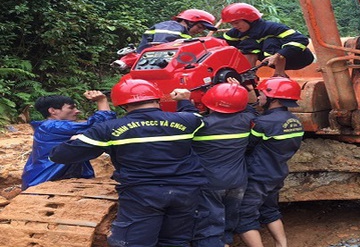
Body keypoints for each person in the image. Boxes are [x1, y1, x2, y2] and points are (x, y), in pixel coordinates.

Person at [49, 79, 206, 247]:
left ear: (122, 104)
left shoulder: (109, 129)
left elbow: (61, 155)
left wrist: (78, 140)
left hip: (142, 194)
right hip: (186, 191)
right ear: (157, 99)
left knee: (135, 243)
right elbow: (196, 117)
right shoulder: (187, 121)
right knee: (176, 241)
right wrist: (183, 100)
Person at [235, 77, 304, 247]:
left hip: (258, 176)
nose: (258, 98)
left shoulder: (263, 123)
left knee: (244, 216)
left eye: (261, 94)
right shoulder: (295, 121)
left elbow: (247, 146)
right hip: (276, 173)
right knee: (270, 210)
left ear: (273, 98)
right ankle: (282, 245)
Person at [190, 81, 257, 247]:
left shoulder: (201, 125)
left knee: (209, 228)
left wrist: (186, 103)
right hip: (238, 182)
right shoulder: (247, 120)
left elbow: (183, 122)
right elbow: (251, 108)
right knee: (227, 225)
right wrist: (244, 89)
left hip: (211, 182)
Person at [21, 91, 116, 190]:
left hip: (41, 179)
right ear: (52, 111)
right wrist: (101, 101)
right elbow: (101, 127)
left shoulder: (48, 127)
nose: (77, 111)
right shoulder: (52, 127)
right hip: (43, 182)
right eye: (71, 108)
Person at [220, 2, 314, 77]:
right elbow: (221, 42)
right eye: (232, 24)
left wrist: (279, 54)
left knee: (270, 41)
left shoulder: (272, 27)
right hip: (270, 61)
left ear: (250, 19)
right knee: (247, 43)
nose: (235, 26)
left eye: (237, 23)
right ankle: (248, 75)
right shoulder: (236, 32)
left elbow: (301, 40)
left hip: (298, 58)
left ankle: (279, 75)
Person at [136, 9, 218, 53]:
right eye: (199, 27)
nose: (200, 31)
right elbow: (161, 49)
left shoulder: (180, 31)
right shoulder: (171, 27)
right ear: (190, 22)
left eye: (203, 29)